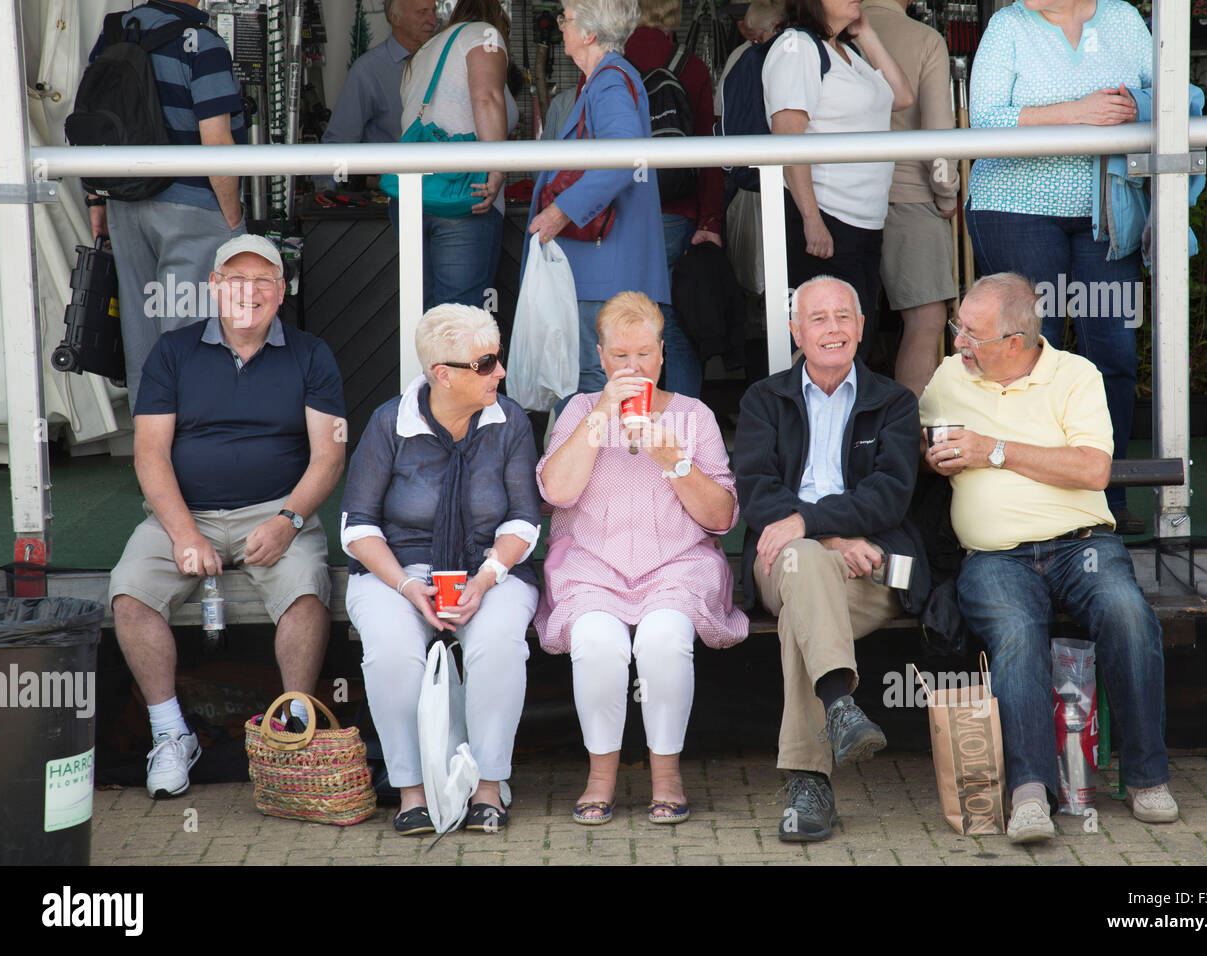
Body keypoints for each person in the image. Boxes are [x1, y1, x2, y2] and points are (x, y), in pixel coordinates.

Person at [919, 272, 1176, 844]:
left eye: (971, 334)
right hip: (993, 556)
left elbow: (1093, 469)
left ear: (1014, 343)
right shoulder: (948, 377)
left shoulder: (1076, 375)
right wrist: (933, 455)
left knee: (1127, 614)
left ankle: (1146, 777)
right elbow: (922, 435)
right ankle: (1030, 792)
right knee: (1014, 632)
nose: (958, 341)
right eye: (959, 327)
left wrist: (996, 451)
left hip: (1081, 544)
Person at [107, 235, 346, 799]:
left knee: (307, 594)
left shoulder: (312, 354)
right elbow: (149, 454)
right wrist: (185, 533)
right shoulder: (173, 351)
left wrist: (289, 520)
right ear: (214, 287)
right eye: (236, 278)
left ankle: (293, 729)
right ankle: (171, 735)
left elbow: (329, 453)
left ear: (281, 292)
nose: (249, 291)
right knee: (130, 594)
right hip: (183, 513)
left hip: (276, 509)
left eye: (263, 280)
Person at [536, 292, 748, 825]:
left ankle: (666, 773)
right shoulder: (580, 411)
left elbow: (722, 517)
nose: (633, 367)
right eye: (621, 356)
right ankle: (601, 775)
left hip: (676, 564)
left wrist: (672, 460)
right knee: (597, 642)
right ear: (602, 357)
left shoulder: (693, 415)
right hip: (592, 564)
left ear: (661, 355)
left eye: (645, 355)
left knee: (662, 639)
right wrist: (602, 413)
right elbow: (555, 492)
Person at [733, 275, 923, 843]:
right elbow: (757, 491)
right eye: (818, 318)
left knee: (802, 612)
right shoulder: (764, 400)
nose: (833, 328)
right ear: (796, 330)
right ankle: (839, 703)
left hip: (870, 570)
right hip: (784, 563)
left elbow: (891, 493)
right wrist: (826, 539)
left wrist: (811, 524)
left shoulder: (894, 402)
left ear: (863, 327)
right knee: (804, 564)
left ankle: (807, 782)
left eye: (844, 315)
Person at [340, 305, 541, 835]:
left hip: (487, 570)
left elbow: (525, 518)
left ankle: (489, 787)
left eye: (498, 359)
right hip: (397, 571)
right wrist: (408, 587)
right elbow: (356, 527)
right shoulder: (390, 421)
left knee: (497, 642)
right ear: (442, 374)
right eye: (486, 363)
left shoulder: (509, 420)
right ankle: (412, 789)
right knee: (390, 650)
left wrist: (485, 577)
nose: (500, 372)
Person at [965, 0, 1153, 534]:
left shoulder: (1120, 18)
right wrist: (1077, 110)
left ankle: (1104, 495)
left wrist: (1132, 106)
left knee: (1112, 352)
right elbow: (985, 119)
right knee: (1028, 353)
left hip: (1105, 214)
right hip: (1014, 209)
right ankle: (1028, 494)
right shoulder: (1008, 24)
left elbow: (1166, 96)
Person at [84, 0, 246, 410]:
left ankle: (150, 454)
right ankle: (191, 453)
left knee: (141, 336)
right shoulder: (202, 43)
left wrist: (95, 197)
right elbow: (216, 139)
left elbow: (89, 121)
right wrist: (232, 217)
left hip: (124, 202)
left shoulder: (113, 34)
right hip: (192, 208)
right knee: (192, 334)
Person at [525, 0, 669, 394]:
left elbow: (621, 157)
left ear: (588, 33)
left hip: (605, 268)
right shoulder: (606, 78)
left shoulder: (608, 79)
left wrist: (560, 211)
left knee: (593, 381)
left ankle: (600, 458)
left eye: (565, 20)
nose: (560, 27)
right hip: (605, 264)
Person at [762, 0, 913, 364]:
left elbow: (903, 96)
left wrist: (868, 33)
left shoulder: (846, 51)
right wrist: (811, 220)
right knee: (822, 342)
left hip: (863, 221)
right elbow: (788, 136)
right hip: (827, 218)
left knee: (854, 340)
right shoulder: (797, 47)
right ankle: (802, 422)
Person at [625, 0, 725, 397]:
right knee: (676, 330)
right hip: (674, 213)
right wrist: (710, 219)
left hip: (620, 216)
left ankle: (624, 435)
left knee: (622, 329)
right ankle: (683, 435)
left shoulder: (608, 64)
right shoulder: (693, 68)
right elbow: (708, 157)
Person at [396, 0, 520, 311]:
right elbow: (486, 97)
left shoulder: (424, 52)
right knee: (459, 317)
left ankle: (421, 363)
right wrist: (498, 167)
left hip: (412, 194)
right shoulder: (483, 34)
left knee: (421, 314)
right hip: (461, 192)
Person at [865, 0, 959, 397]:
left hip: (838, 198)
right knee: (925, 320)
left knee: (835, 324)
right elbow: (937, 130)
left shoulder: (828, 36)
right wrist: (946, 193)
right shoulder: (925, 40)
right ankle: (907, 441)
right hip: (910, 193)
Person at [315, 0, 439, 193]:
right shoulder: (368, 71)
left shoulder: (445, 62)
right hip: (391, 198)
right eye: (422, 13)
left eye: (434, 11)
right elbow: (340, 141)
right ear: (394, 17)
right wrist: (324, 197)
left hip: (447, 192)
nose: (433, 20)